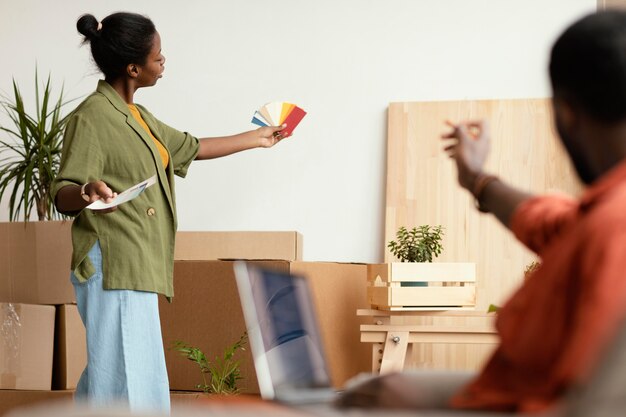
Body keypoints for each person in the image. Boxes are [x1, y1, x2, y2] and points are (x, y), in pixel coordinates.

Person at [338, 9, 626, 414]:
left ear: (566, 112)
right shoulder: (601, 216)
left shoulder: (613, 227)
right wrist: (477, 179)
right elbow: (547, 222)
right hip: (507, 395)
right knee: (378, 389)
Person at [51, 12, 288, 414]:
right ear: (133, 67)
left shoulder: (139, 118)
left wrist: (257, 138)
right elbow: (61, 194)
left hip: (137, 261)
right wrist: (86, 191)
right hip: (113, 261)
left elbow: (191, 148)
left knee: (120, 373)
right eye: (158, 57)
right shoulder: (92, 117)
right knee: (125, 377)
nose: (164, 63)